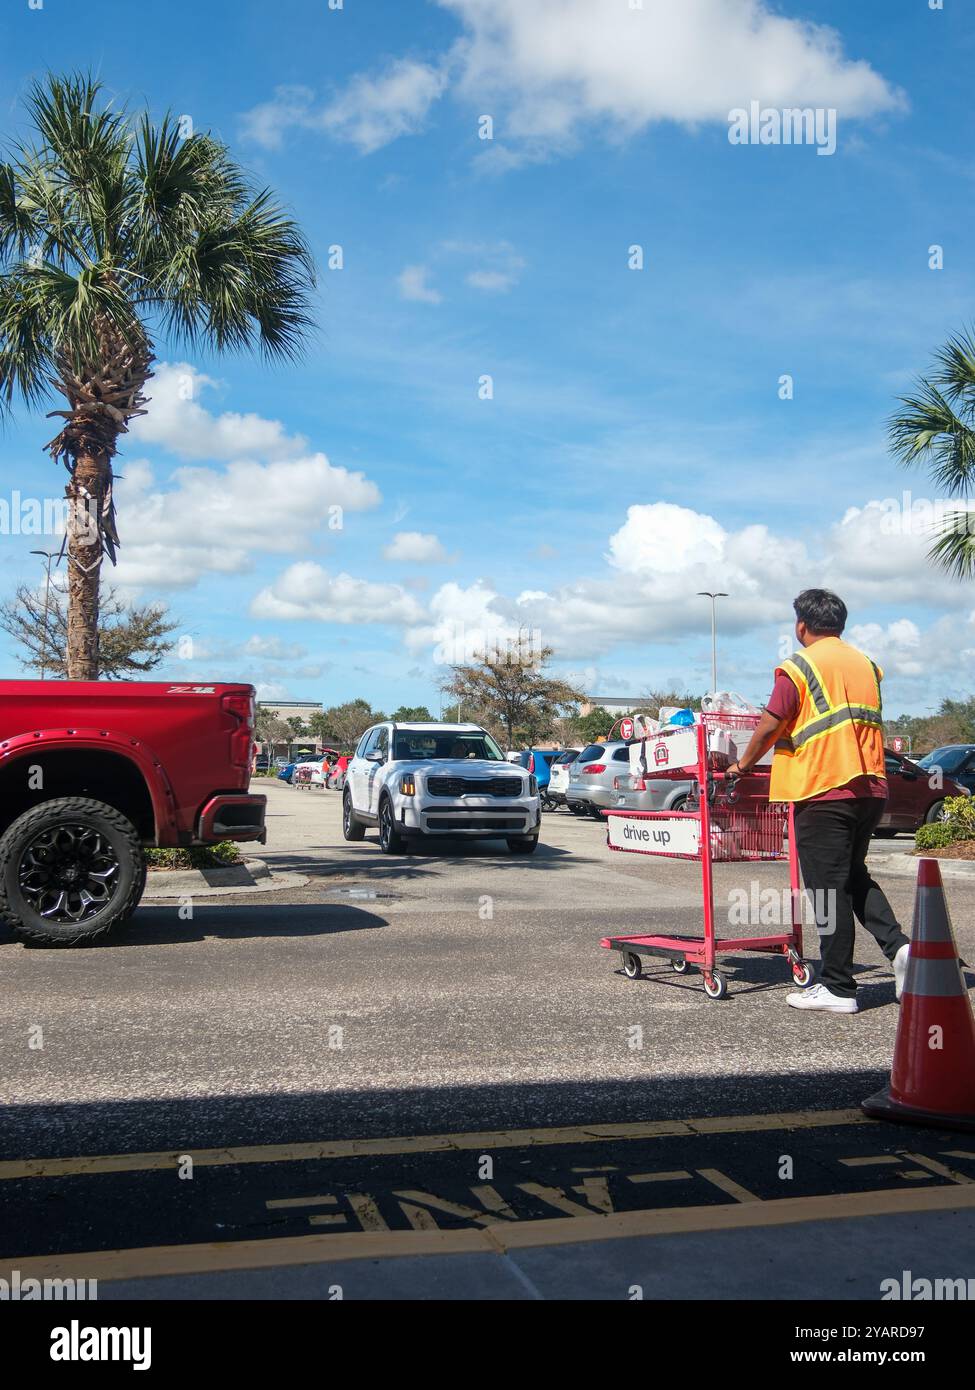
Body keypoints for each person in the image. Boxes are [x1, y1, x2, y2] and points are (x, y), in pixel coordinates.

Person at [727, 588, 910, 1014]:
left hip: (823, 788)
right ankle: (902, 951)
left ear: (801, 626)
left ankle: (838, 987)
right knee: (852, 877)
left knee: (827, 890)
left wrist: (744, 763)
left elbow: (773, 722)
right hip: (870, 788)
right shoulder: (866, 664)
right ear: (839, 625)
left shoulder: (799, 665)